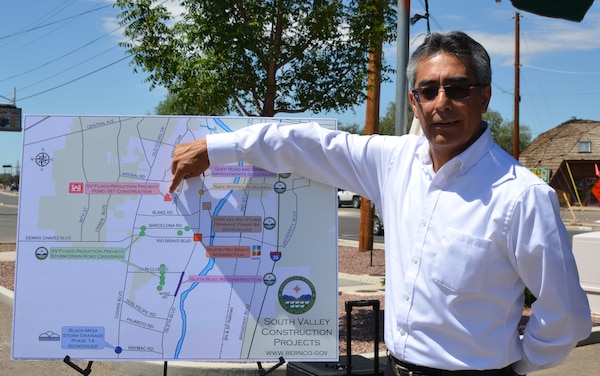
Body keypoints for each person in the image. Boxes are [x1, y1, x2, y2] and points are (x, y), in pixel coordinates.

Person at [169, 31, 591, 375]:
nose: (441, 102)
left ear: (484, 97)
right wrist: (217, 147)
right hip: (396, 367)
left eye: (457, 88)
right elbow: (309, 145)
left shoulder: (520, 195)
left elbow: (565, 314)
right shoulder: (395, 162)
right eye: (428, 90)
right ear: (414, 102)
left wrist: (512, 366)